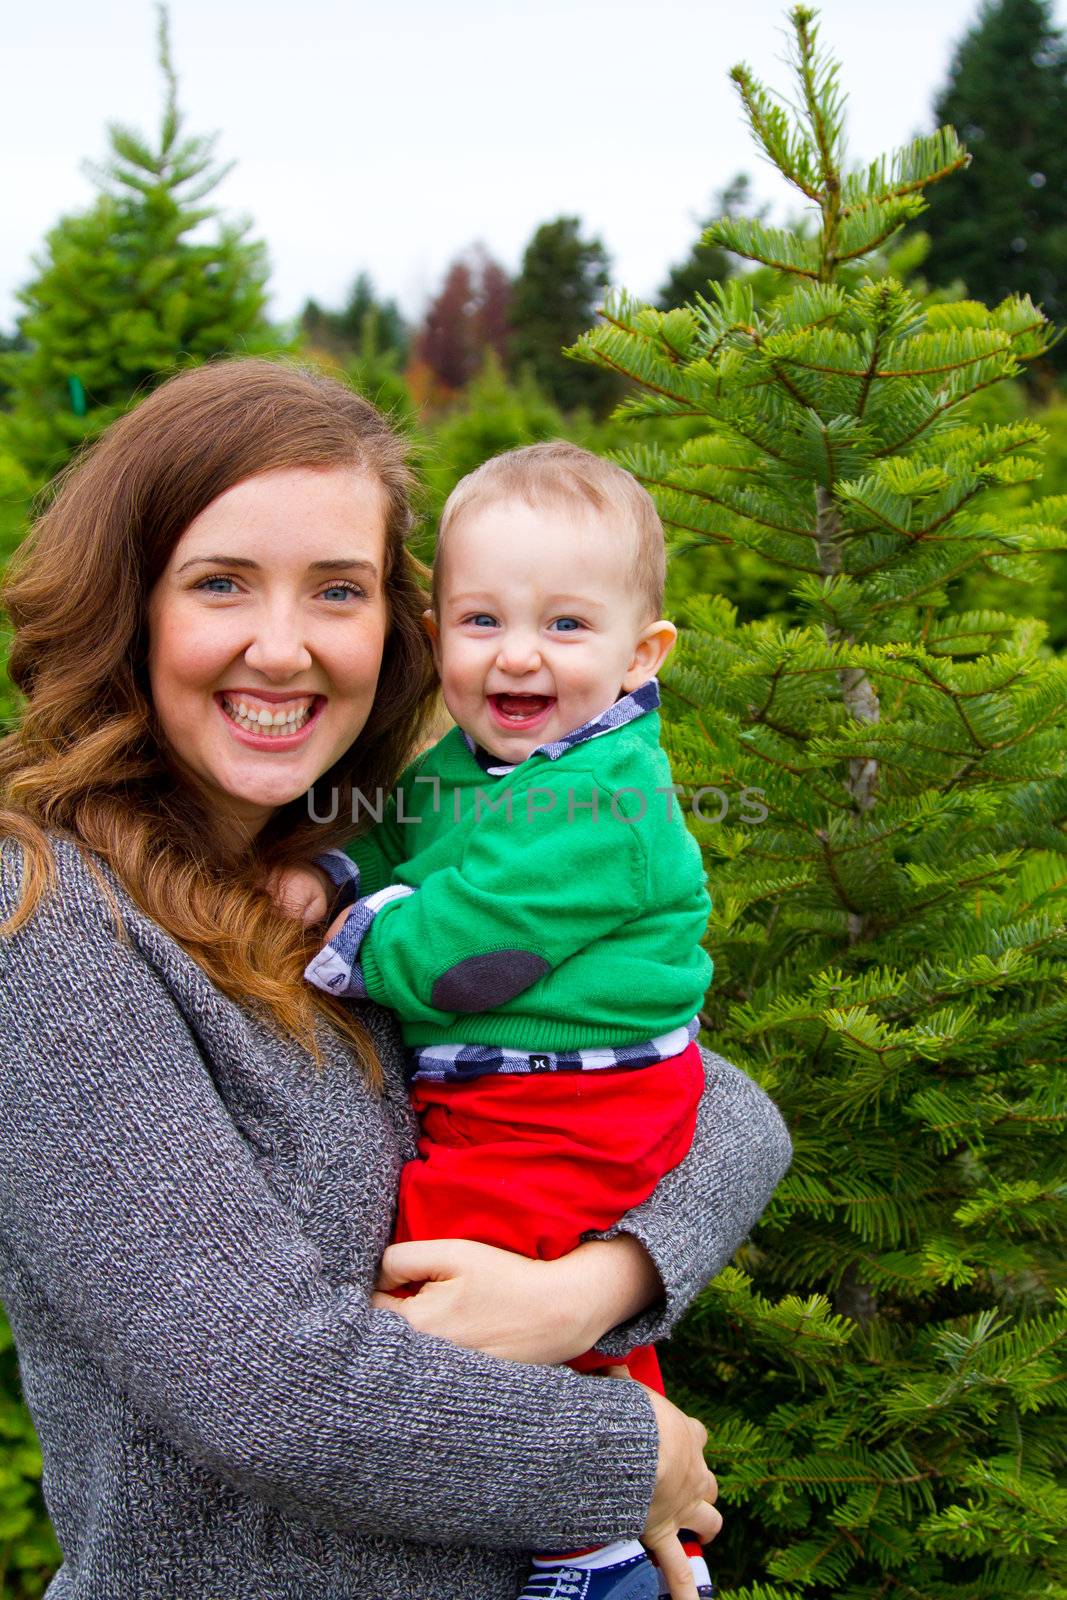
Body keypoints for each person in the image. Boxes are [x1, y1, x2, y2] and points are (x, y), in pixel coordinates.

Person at [0, 360, 792, 1600]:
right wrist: (627, 1453)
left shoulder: (341, 862)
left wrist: (590, 1288)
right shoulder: (43, 916)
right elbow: (261, 1385)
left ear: (393, 624)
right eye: (220, 583)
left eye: (338, 590)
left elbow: (725, 1104)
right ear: (129, 604)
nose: (283, 644)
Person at [288, 442, 715, 1599]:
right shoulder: (470, 761)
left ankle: (590, 1544)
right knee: (515, 1262)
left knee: (458, 1246)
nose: (516, 654)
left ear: (641, 654)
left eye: (565, 627)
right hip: (523, 1083)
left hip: (587, 1092)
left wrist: (343, 937)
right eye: (481, 619)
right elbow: (397, 832)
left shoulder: (606, 802)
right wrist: (335, 864)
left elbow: (468, 959)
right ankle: (619, 1487)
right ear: (438, 634)